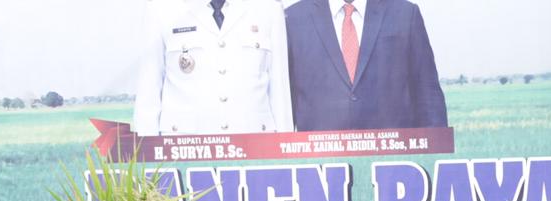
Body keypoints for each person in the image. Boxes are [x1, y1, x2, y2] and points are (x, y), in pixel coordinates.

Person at [133, 0, 293, 136]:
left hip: (255, 147)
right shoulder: (161, 8)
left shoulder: (268, 7)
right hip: (183, 151)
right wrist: (146, 163)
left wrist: (286, 157)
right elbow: (149, 94)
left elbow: (280, 93)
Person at [284, 0, 448, 131]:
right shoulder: (292, 19)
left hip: (392, 160)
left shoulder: (405, 14)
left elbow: (428, 95)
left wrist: (434, 154)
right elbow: (284, 100)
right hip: (320, 162)